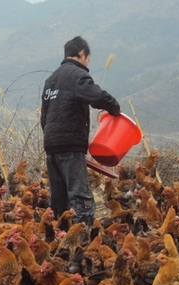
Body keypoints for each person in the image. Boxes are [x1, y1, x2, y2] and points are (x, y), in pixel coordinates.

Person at [40, 36, 121, 225]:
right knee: (80, 197)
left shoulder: (50, 80)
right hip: (70, 145)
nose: (87, 63)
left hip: (51, 145)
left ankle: (59, 237)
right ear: (82, 53)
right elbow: (98, 96)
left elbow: (45, 116)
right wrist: (115, 108)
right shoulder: (77, 75)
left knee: (58, 199)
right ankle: (81, 239)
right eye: (88, 59)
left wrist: (53, 139)